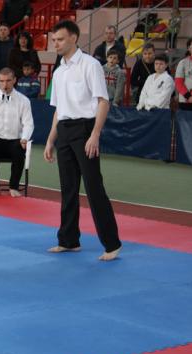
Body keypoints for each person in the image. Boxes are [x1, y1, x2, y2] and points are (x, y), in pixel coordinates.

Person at [43, 20, 121, 261]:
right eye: (53, 40)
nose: (56, 44)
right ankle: (68, 240)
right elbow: (59, 109)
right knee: (68, 188)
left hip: (86, 128)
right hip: (64, 130)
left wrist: (95, 134)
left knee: (93, 187)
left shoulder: (90, 64)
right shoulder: (58, 71)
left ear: (74, 38)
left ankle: (112, 244)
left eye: (60, 39)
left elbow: (103, 102)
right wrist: (50, 140)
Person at [0, 67, 34, 198]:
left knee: (19, 153)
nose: (5, 85)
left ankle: (14, 187)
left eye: (8, 81)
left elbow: (28, 124)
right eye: (2, 81)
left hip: (15, 139)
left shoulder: (24, 101)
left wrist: (24, 138)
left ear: (14, 80)